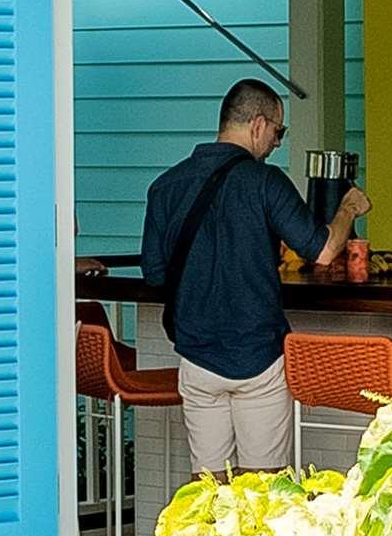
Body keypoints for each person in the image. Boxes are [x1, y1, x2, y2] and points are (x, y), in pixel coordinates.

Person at [142, 78, 366, 476]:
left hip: (196, 359)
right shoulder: (266, 181)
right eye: (279, 132)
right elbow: (323, 251)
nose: (277, 142)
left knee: (207, 491)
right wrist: (347, 208)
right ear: (259, 125)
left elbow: (156, 274)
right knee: (262, 491)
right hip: (259, 359)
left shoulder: (164, 187)